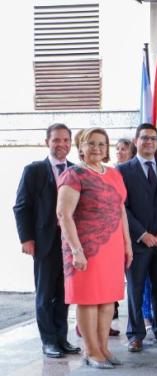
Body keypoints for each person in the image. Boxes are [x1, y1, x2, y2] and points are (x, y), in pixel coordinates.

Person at [56, 127, 132, 368]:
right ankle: (90, 351)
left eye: (102, 144)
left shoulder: (114, 174)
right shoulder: (73, 174)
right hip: (86, 246)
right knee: (89, 299)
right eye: (91, 143)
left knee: (108, 299)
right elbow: (63, 214)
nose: (97, 148)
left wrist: (127, 243)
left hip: (112, 246)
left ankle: (103, 348)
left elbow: (121, 211)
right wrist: (76, 250)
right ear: (81, 147)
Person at [14, 123, 81, 359]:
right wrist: (27, 239)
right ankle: (48, 342)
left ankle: (62, 339)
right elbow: (21, 207)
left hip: (70, 245)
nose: (61, 144)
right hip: (44, 243)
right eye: (56, 140)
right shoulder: (34, 170)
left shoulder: (76, 170)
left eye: (65, 140)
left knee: (65, 294)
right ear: (47, 142)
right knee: (44, 295)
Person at [118, 124, 157, 352]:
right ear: (136, 141)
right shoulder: (122, 171)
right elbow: (122, 207)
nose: (149, 142)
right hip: (137, 243)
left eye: (153, 138)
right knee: (135, 289)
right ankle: (135, 335)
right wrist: (142, 234)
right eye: (144, 138)